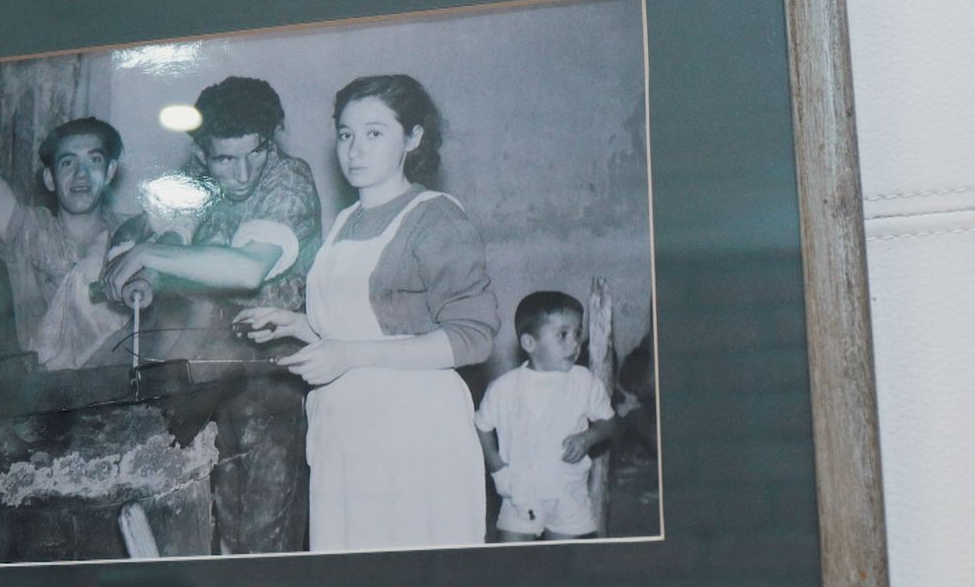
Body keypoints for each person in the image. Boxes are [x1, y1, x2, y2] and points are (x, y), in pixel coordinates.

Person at [237, 74, 498, 551]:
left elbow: (472, 337)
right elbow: (354, 324)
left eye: (374, 133)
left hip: (413, 435)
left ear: (413, 138)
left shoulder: (435, 217)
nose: (355, 150)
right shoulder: (344, 222)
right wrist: (296, 323)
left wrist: (348, 354)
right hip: (345, 431)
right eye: (346, 134)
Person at [100, 76, 322, 554]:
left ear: (272, 140)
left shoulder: (289, 179)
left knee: (266, 540)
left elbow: (245, 271)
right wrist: (147, 277)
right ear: (202, 155)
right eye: (226, 159)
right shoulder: (209, 193)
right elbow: (194, 255)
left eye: (256, 152)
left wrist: (149, 257)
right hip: (220, 376)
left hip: (278, 381)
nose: (244, 174)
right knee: (224, 533)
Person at [0, 65, 129, 370]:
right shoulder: (28, 231)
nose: (81, 175)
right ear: (49, 178)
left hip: (116, 394)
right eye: (67, 163)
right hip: (44, 398)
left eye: (94, 161)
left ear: (110, 172)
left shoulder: (132, 235)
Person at [475, 291, 615, 541]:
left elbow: (609, 422)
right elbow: (481, 426)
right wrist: (497, 467)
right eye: (563, 334)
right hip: (519, 492)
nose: (574, 343)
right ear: (529, 343)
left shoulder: (584, 382)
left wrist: (589, 437)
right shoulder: (504, 388)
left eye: (577, 333)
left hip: (568, 492)